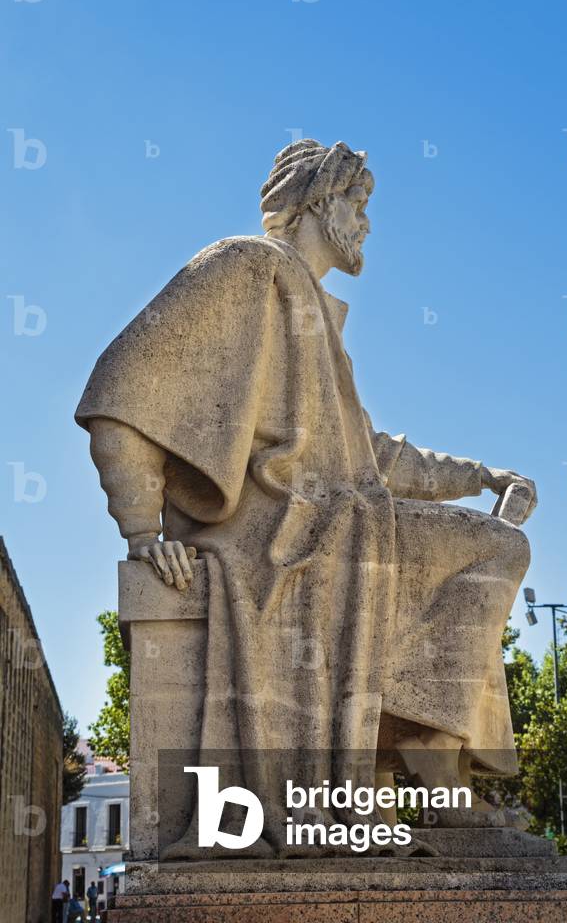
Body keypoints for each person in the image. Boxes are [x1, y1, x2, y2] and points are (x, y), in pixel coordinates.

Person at [77, 139, 537, 855]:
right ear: (323, 200)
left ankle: (430, 760)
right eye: (360, 204)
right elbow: (121, 385)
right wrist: (140, 528)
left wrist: (481, 475)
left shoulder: (316, 313)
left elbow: (372, 455)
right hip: (281, 535)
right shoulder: (248, 266)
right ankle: (426, 762)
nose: (367, 224)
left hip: (349, 524)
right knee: (495, 546)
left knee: (495, 543)